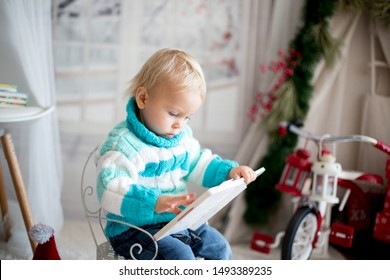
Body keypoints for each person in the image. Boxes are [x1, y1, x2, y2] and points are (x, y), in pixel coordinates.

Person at [95, 48, 256, 260]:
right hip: (133, 230)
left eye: (188, 117)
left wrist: (229, 171)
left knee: (220, 248)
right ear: (143, 98)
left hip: (177, 220)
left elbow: (199, 162)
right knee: (181, 257)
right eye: (173, 114)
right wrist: (155, 202)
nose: (180, 124)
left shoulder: (181, 137)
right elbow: (109, 190)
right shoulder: (123, 146)